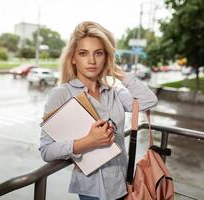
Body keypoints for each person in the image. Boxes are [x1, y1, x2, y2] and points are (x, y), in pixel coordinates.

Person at [39, 21, 158, 200]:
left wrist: (118, 73)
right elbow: (46, 151)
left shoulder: (114, 92)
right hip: (92, 191)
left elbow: (149, 101)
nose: (92, 61)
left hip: (123, 183)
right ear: (73, 58)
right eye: (83, 53)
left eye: (99, 53)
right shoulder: (62, 94)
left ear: (106, 58)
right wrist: (88, 141)